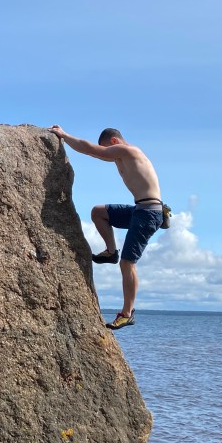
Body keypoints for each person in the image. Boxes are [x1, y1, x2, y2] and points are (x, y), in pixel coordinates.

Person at [48, 125, 164, 330]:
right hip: (139, 209)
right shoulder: (123, 156)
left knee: (128, 263)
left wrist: (64, 136)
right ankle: (111, 252)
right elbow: (97, 153)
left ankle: (127, 313)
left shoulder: (128, 151)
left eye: (108, 149)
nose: (109, 156)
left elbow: (91, 149)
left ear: (113, 142)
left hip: (149, 212)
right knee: (98, 212)